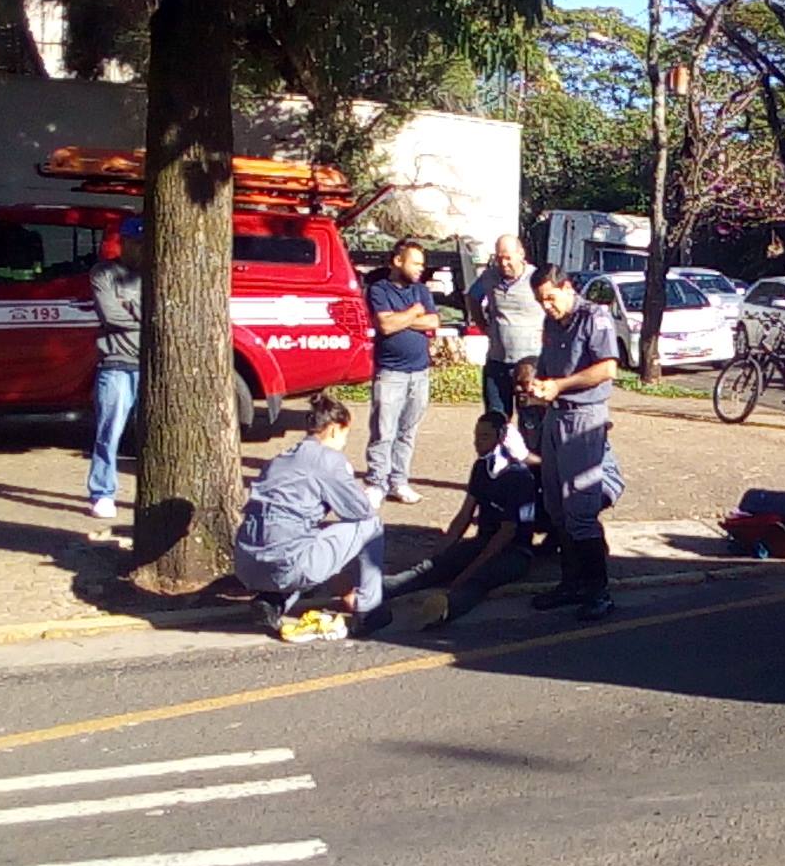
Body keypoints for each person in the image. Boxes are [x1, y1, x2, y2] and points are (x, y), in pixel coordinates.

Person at [235, 393, 391, 638]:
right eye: (345, 435)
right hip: (289, 561)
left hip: (247, 563)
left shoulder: (279, 460)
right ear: (333, 430)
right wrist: (371, 494)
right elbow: (359, 510)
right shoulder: (328, 459)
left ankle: (271, 602)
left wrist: (345, 592)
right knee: (370, 525)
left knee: (304, 539)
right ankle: (369, 611)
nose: (344, 443)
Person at [525, 264, 622, 621]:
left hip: (584, 417)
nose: (547, 306)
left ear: (567, 287)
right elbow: (548, 365)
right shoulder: (552, 322)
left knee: (581, 510)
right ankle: (571, 582)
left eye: (550, 298)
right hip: (555, 414)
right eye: (540, 301)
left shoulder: (593, 317)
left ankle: (599, 590)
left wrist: (559, 386)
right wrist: (538, 384)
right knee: (556, 507)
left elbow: (607, 368)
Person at [381, 412, 538, 628]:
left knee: (478, 580)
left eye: (484, 436)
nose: (476, 442)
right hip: (483, 540)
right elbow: (464, 515)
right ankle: (381, 590)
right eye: (476, 436)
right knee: (432, 568)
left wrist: (470, 569)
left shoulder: (519, 477)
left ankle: (446, 608)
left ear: (501, 438)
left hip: (514, 552)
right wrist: (441, 554)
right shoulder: (481, 468)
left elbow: (507, 532)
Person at [364, 239, 439, 508]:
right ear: (397, 261)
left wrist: (403, 319)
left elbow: (433, 321)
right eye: (415, 263)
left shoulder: (421, 290)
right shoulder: (378, 290)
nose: (421, 269)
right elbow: (384, 325)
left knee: (407, 431)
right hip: (390, 373)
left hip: (419, 373)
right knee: (383, 431)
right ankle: (376, 482)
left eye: (422, 263)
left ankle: (399, 480)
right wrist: (413, 313)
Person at [87, 220, 143, 519]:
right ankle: (102, 492)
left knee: (151, 436)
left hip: (150, 367)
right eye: (136, 242)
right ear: (124, 242)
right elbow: (110, 314)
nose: (141, 248)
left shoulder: (158, 272)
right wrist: (144, 316)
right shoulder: (104, 273)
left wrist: (132, 312)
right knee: (109, 432)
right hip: (117, 364)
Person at [466, 234, 546, 419]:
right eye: (499, 258)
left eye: (508, 258)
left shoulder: (536, 278)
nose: (503, 263)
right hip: (497, 362)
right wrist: (483, 325)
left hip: (531, 364)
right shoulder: (489, 276)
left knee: (532, 422)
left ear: (521, 254)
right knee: (496, 421)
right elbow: (472, 297)